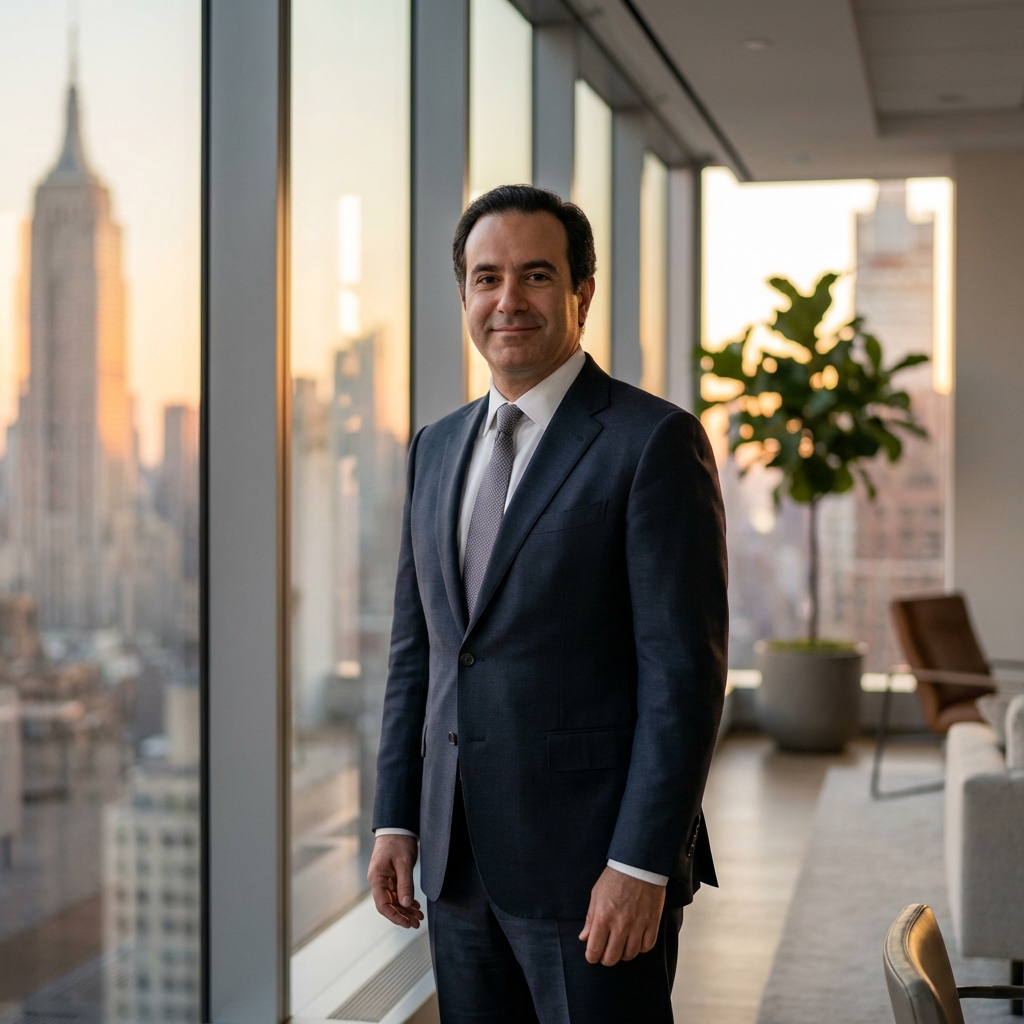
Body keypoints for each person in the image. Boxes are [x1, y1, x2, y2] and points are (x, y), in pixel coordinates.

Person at [368, 184, 728, 1023]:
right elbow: (415, 655)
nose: (509, 300)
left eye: (536, 276)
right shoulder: (435, 447)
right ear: (464, 294)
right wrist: (396, 817)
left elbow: (682, 676)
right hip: (456, 869)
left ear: (581, 295)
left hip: (592, 869)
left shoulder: (652, 442)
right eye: (487, 277)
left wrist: (640, 865)